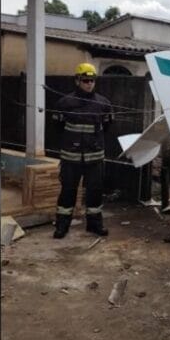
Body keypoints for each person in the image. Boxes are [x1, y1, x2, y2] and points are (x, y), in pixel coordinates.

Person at [50, 63, 114, 238]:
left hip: (95, 159)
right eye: (85, 80)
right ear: (77, 81)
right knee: (68, 192)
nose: (89, 84)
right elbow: (57, 127)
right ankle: (62, 225)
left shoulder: (104, 104)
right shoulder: (64, 103)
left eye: (92, 80)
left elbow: (107, 127)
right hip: (71, 158)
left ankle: (94, 225)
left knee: (95, 192)